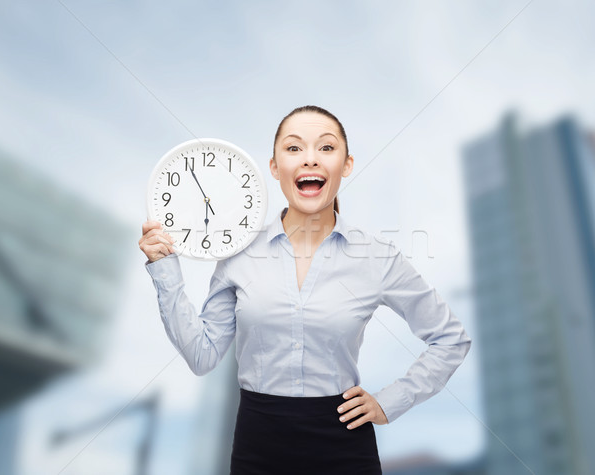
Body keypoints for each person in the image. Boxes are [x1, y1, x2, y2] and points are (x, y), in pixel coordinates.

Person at [139, 105, 472, 474]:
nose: (310, 159)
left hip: (345, 445)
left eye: (326, 148)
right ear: (274, 167)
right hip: (257, 444)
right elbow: (202, 356)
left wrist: (389, 402)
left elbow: (450, 339)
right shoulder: (238, 255)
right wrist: (163, 267)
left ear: (346, 165)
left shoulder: (377, 257)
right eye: (294, 148)